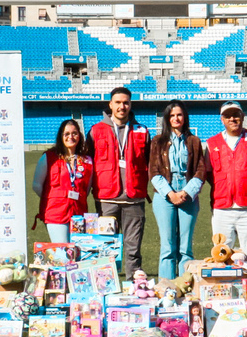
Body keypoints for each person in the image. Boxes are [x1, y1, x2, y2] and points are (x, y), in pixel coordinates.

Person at [89, 86, 151, 278]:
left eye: (125, 102)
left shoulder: (142, 131)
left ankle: (134, 286)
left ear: (130, 104)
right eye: (117, 102)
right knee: (106, 246)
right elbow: (88, 162)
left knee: (133, 248)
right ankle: (108, 284)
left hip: (134, 199)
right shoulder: (96, 130)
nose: (122, 106)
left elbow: (150, 162)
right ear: (110, 105)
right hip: (107, 199)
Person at [149, 100, 207, 279]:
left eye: (179, 115)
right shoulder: (158, 141)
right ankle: (166, 286)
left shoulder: (194, 141)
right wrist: (170, 193)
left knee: (185, 247)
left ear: (185, 117)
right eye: (172, 115)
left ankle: (185, 286)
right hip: (164, 194)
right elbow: (153, 170)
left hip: (187, 194)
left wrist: (186, 192)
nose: (176, 118)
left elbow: (200, 170)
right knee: (167, 246)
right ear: (167, 118)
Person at [205, 99, 247, 260]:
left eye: (236, 115)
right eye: (228, 116)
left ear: (242, 116)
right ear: (222, 119)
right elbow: (209, 173)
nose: (232, 119)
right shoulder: (212, 143)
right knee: (221, 255)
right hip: (222, 207)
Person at [32, 118, 93, 243]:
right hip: (56, 214)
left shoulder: (87, 161)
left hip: (79, 214)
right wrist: (54, 199)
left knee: (78, 253)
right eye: (67, 134)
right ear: (61, 136)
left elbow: (86, 189)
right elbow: (36, 185)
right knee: (63, 252)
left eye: (74, 133)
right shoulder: (48, 157)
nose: (71, 137)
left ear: (79, 136)